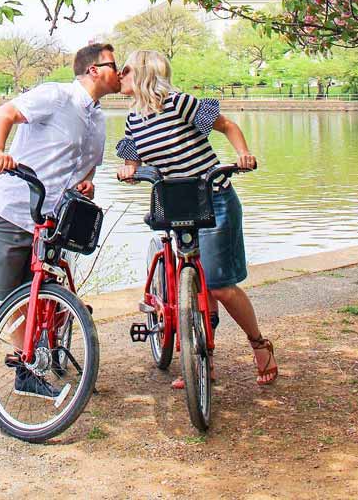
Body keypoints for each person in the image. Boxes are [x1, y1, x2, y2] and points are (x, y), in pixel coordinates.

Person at [0, 42, 121, 406]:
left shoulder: (97, 119)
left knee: (27, 296)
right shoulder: (55, 96)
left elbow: (87, 164)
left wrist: (87, 182)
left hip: (51, 220)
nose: (121, 71)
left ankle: (25, 373)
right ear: (94, 70)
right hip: (12, 208)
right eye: (114, 64)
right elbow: (5, 113)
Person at [115, 49, 278, 387]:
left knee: (219, 285)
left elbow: (227, 125)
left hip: (214, 198)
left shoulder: (179, 103)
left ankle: (259, 344)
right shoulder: (133, 119)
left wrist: (243, 153)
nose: (119, 74)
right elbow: (133, 159)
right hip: (176, 205)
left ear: (143, 72)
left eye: (126, 69)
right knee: (194, 284)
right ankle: (201, 360)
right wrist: (128, 170)